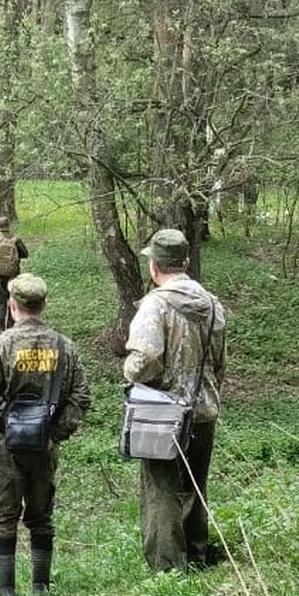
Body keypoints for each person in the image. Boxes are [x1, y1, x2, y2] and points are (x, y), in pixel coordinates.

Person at [0, 273, 90, 596]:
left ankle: (5, 593)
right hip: (45, 447)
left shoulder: (0, 345)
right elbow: (81, 395)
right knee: (41, 515)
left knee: (3, 516)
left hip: (5, 447)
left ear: (12, 306)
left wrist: (11, 427)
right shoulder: (64, 346)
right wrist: (53, 432)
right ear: (43, 305)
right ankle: (41, 589)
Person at [124, 229, 227, 572]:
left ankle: (167, 569)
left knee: (161, 490)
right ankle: (197, 556)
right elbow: (219, 361)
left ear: (155, 266)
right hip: (204, 411)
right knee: (195, 487)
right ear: (184, 262)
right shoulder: (212, 304)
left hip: (162, 416)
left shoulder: (156, 304)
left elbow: (146, 358)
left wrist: (129, 370)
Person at [0, 217, 29, 330]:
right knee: (12, 298)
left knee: (0, 301)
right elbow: (25, 254)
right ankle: (11, 325)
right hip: (13, 275)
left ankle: (1, 327)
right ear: (9, 225)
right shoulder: (16, 239)